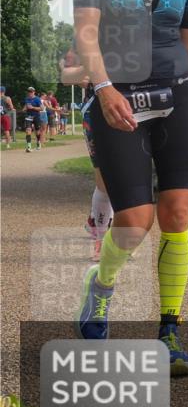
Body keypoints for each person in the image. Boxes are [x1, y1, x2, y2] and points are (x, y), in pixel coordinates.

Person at [73, 0, 188, 376]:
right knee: (134, 222)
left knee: (178, 213)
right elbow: (86, 30)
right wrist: (104, 88)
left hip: (179, 96)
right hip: (119, 96)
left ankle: (169, 331)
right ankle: (101, 287)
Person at [61, 48, 115, 261]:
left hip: (135, 106)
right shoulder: (85, 39)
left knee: (130, 178)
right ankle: (101, 240)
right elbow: (67, 75)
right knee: (104, 181)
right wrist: (90, 71)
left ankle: (121, 237)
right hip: (96, 110)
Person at [22, 87, 43, 151]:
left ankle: (38, 142)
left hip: (36, 116)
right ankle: (29, 146)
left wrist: (33, 107)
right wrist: (24, 109)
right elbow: (26, 106)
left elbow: (41, 108)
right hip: (28, 116)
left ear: (34, 92)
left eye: (31, 92)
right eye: (29, 92)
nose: (30, 93)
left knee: (37, 131)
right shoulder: (27, 99)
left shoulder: (37, 99)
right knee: (28, 130)